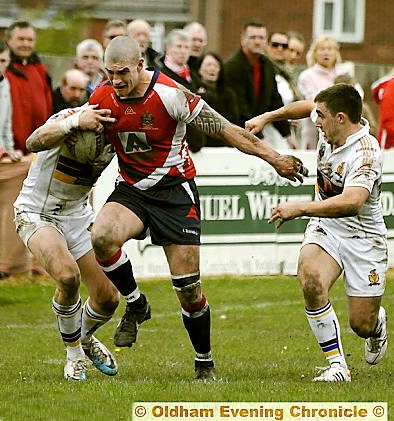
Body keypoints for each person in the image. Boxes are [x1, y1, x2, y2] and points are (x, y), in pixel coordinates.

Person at [88, 35, 308, 382]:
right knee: (100, 237)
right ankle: (135, 303)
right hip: (132, 191)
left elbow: (226, 130)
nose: (116, 80)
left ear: (141, 65)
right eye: (110, 72)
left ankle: (203, 360)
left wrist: (277, 159)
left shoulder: (171, 94)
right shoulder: (101, 96)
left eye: (123, 72)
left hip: (176, 194)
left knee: (188, 289)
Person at [246, 84, 388, 382]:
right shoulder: (330, 120)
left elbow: (353, 202)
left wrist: (300, 208)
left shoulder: (365, 153)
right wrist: (267, 117)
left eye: (321, 117)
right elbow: (303, 108)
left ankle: (376, 326)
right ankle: (338, 366)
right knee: (310, 278)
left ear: (340, 117)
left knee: (361, 324)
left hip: (364, 237)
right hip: (327, 226)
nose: (316, 122)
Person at [14, 104, 120, 381]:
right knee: (67, 275)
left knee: (108, 297)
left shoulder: (122, 127)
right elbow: (33, 141)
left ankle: (83, 337)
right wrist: (71, 125)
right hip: (36, 211)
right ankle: (74, 355)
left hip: (77, 214)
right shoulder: (74, 115)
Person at [223, 20, 295, 149]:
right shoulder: (232, 67)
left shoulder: (266, 65)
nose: (257, 41)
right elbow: (239, 107)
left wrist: (287, 135)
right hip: (235, 134)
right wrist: (259, 138)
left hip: (257, 131)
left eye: (261, 38)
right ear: (243, 40)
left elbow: (275, 100)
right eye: (252, 37)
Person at [5, 21, 53, 154]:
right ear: (8, 40)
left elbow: (48, 106)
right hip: (9, 151)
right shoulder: (4, 71)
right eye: (21, 39)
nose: (25, 44)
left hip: (36, 150)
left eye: (30, 40)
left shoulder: (40, 71)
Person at [157, 29, 204, 152]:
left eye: (186, 47)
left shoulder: (195, 76)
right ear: (168, 47)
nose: (183, 51)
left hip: (197, 143)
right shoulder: (160, 76)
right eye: (179, 46)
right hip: (173, 146)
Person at [0, 39, 24, 279]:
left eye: (4, 61)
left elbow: (5, 124)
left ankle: (10, 264)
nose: (1, 66)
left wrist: (8, 149)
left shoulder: (5, 83)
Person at [297, 35, 342, 149]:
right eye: (322, 49)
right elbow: (313, 99)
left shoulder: (343, 74)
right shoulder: (307, 76)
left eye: (330, 49)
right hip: (314, 128)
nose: (326, 53)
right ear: (315, 53)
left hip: (340, 128)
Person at [196, 52, 240, 146]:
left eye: (216, 65)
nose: (212, 69)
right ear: (199, 70)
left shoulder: (229, 94)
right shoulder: (193, 92)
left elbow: (233, 120)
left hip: (224, 143)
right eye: (208, 65)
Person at [371, 71, 394, 149]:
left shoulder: (386, 82)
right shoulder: (387, 82)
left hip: (387, 128)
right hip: (387, 128)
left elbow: (374, 90)